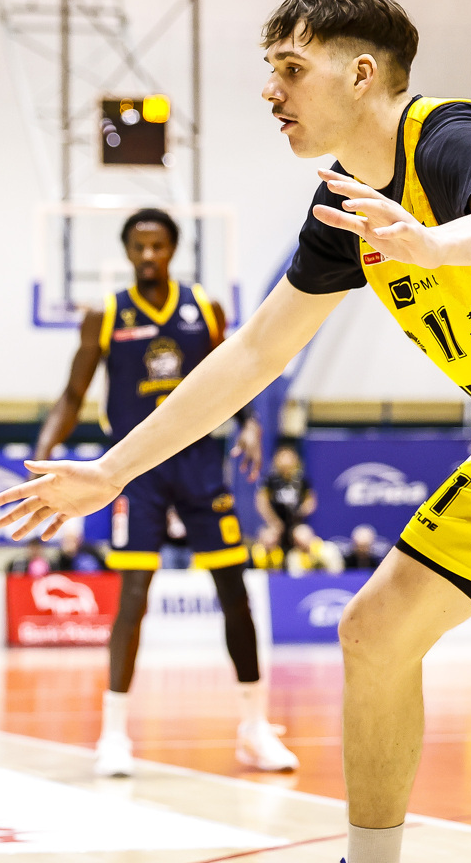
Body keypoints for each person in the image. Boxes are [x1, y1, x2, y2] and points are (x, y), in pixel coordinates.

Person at [0, 0, 471, 863]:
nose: (270, 90)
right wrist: (111, 470)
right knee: (372, 632)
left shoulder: (453, 136)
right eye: (270, 69)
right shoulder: (341, 208)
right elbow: (254, 354)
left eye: (290, 68)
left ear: (360, 75)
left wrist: (433, 244)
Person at [31, 206, 297, 777]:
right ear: (127, 252)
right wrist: (45, 453)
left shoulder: (204, 308)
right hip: (135, 471)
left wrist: (250, 423)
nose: (149, 255)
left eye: (158, 246)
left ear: (173, 249)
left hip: (199, 463)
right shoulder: (105, 316)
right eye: (139, 247)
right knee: (132, 595)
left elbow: (235, 372)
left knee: (234, 591)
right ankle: (114, 734)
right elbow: (72, 395)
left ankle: (254, 728)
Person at [256, 441, 317, 548]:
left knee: (304, 537)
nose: (286, 461)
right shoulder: (270, 479)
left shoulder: (301, 479)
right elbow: (261, 503)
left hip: (296, 523)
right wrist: (274, 522)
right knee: (268, 539)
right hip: (274, 523)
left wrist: (300, 512)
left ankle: (300, 558)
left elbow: (310, 501)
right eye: (283, 457)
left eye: (289, 457)